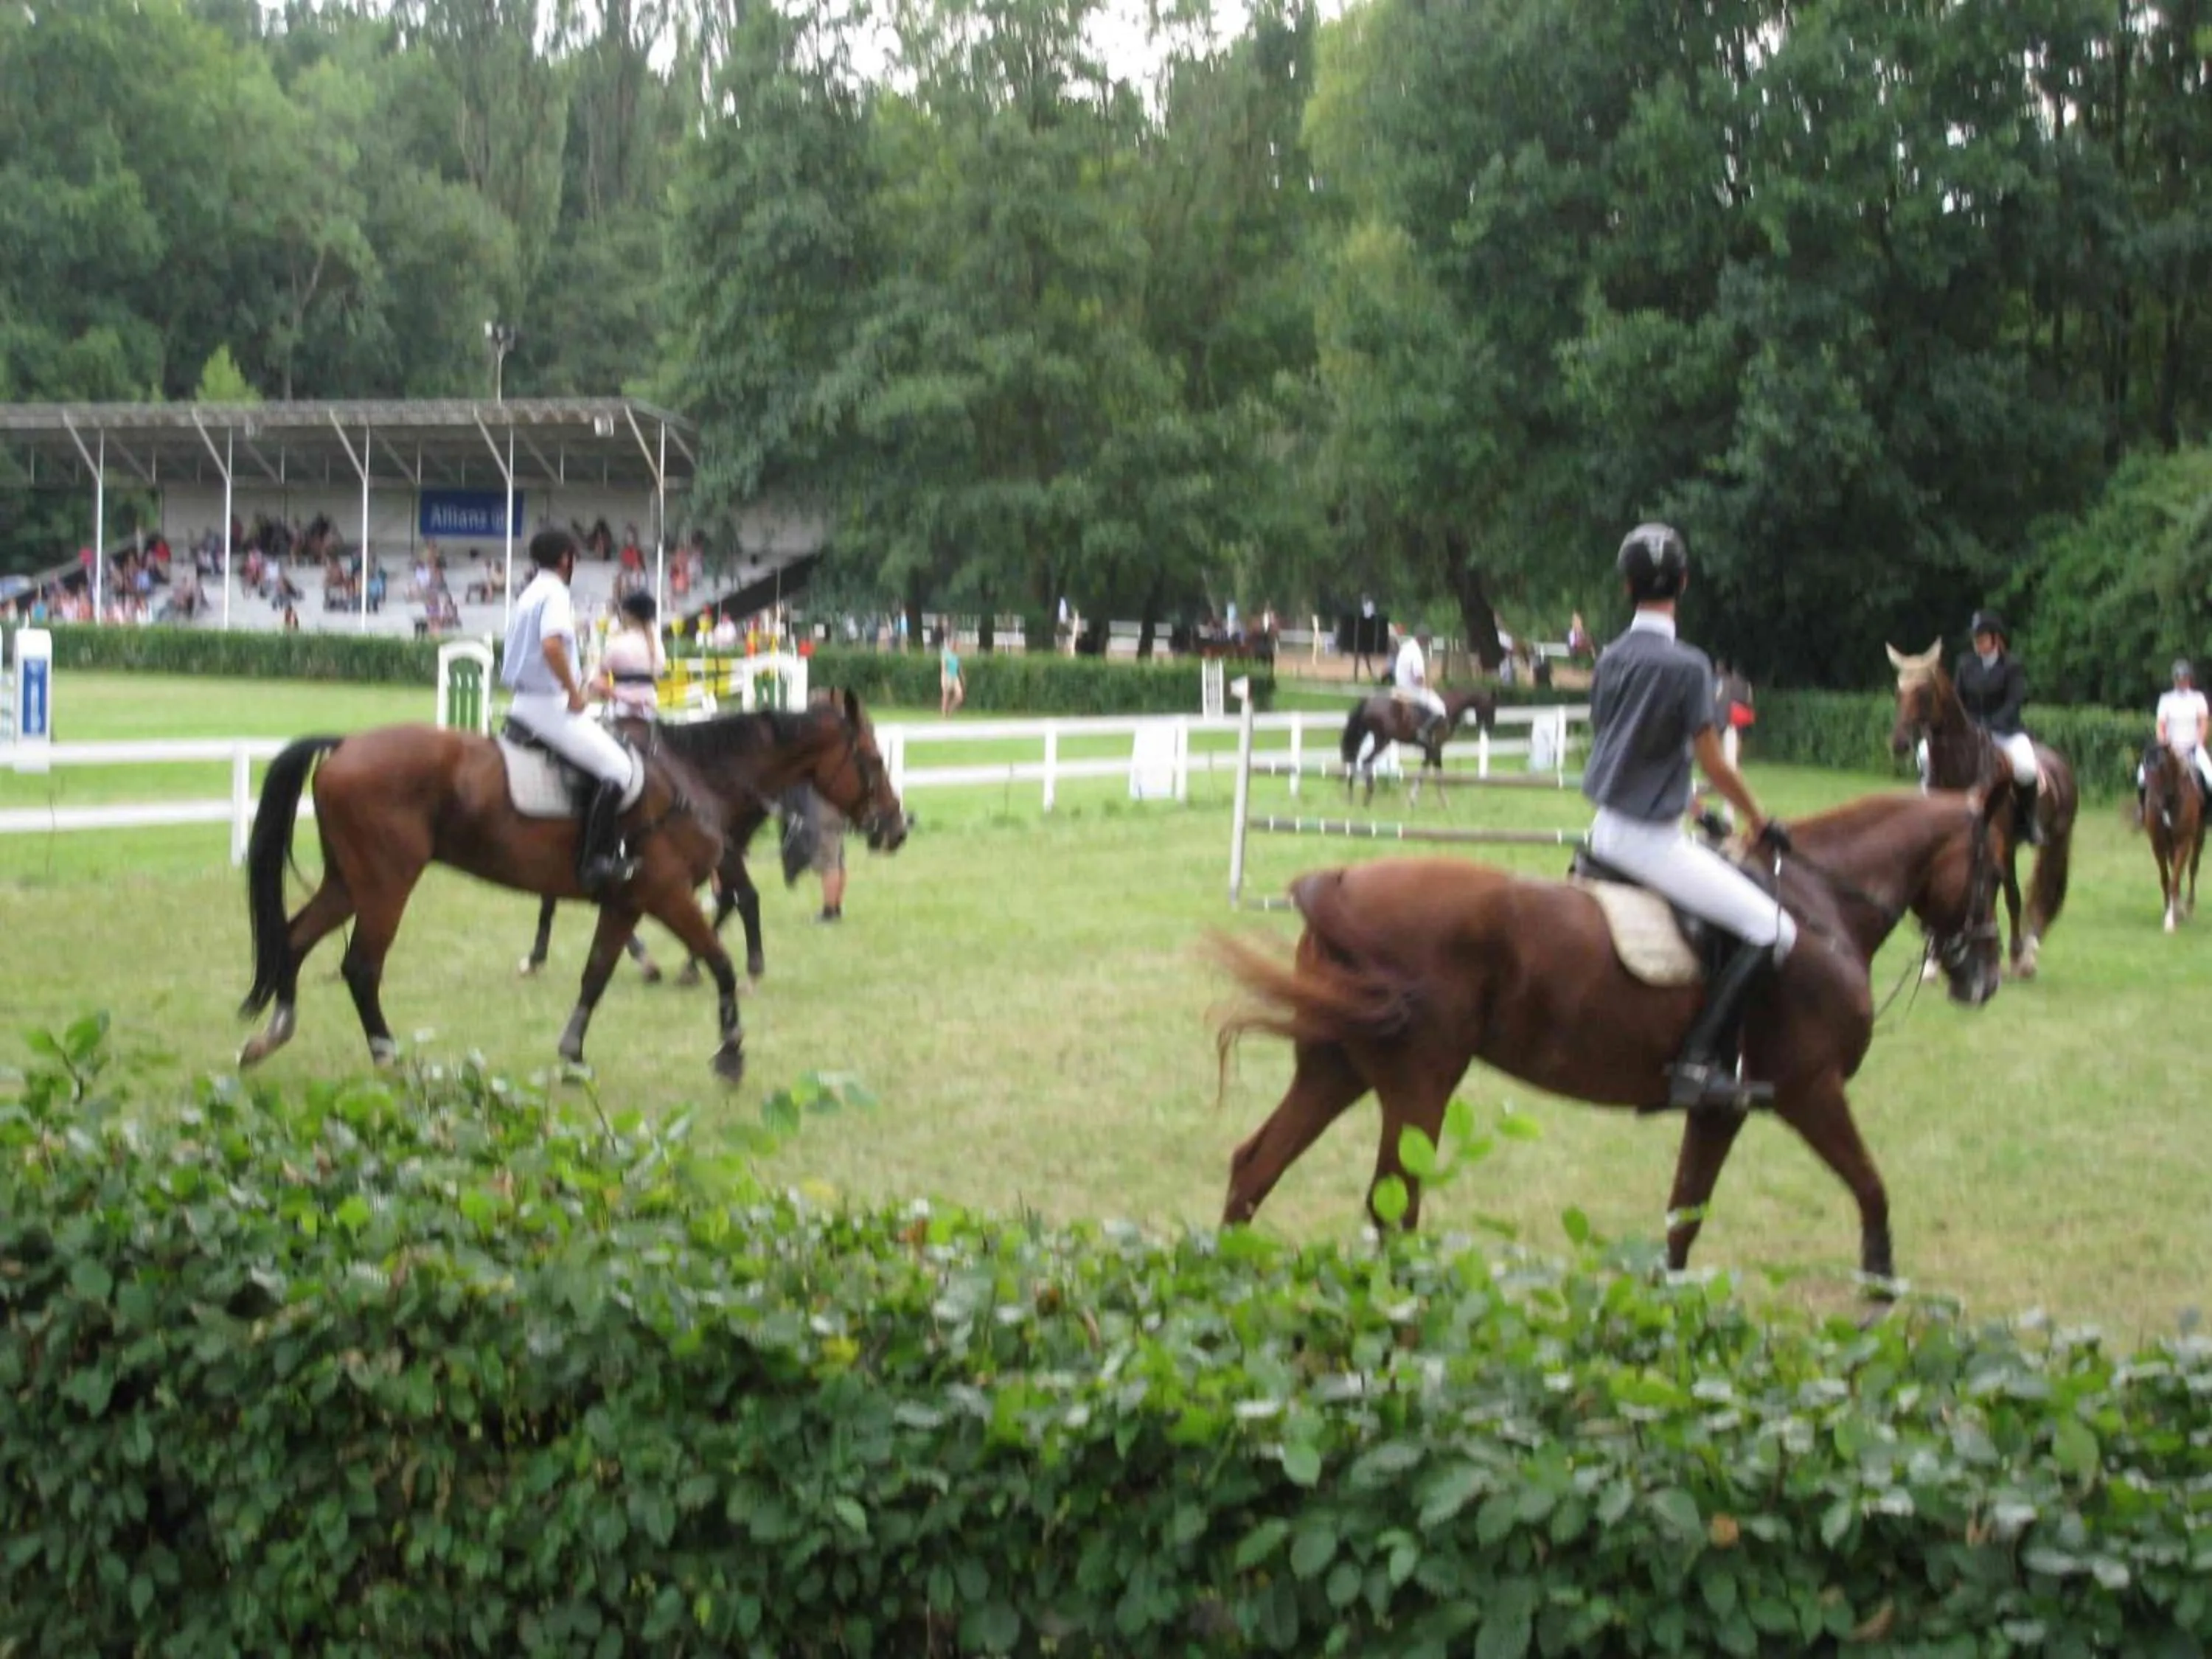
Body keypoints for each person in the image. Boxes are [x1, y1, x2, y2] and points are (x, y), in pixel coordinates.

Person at [1582, 523, 1798, 1113]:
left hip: (1604, 829)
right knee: (1774, 929)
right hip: (1646, 842)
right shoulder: (1689, 665)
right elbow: (1712, 762)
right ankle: (1698, 1064)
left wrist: (1697, 810)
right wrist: (1759, 817)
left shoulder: (1611, 659)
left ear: (1627, 587)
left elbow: (1628, 748)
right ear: (1683, 582)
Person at [502, 526, 640, 896]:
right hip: (546, 704)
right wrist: (573, 693)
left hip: (524, 700)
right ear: (566, 559)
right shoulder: (556, 593)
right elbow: (551, 646)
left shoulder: (530, 591)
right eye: (574, 557)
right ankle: (594, 859)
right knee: (619, 767)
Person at [1953, 608, 2042, 846]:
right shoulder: (1965, 665)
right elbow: (1958, 702)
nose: (1977, 642)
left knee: (2026, 767)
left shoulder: (2012, 666)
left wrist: (1990, 726)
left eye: (1982, 637)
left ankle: (2028, 822)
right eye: (1975, 638)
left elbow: (2014, 703)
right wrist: (1970, 726)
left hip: (2005, 732)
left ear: (1995, 638)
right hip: (1971, 733)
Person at [2138, 658, 2212, 818]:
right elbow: (2161, 725)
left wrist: (2198, 742)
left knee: (2210, 776)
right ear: (2174, 680)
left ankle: (2206, 814)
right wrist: (2164, 743)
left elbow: (2204, 723)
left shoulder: (2198, 698)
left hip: (2192, 747)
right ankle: (2143, 810)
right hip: (2170, 748)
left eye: (2184, 678)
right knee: (2142, 774)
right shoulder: (2166, 699)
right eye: (2178, 679)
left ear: (2189, 679)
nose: (2181, 682)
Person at [591, 589, 667, 720]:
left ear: (628, 614)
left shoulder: (617, 643)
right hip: (650, 707)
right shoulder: (657, 646)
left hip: (622, 708)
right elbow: (659, 672)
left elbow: (598, 680)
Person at [1392, 625, 1447, 747]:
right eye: (1427, 640)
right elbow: (1418, 679)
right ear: (1423, 639)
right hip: (1411, 691)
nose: (1428, 643)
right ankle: (1423, 731)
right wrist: (1429, 686)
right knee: (1440, 708)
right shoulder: (1416, 653)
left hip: (1400, 687)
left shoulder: (1406, 647)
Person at [939, 628, 965, 717]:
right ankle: (944, 714)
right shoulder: (946, 652)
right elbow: (944, 666)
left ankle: (950, 710)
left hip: (955, 676)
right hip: (947, 675)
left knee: (959, 696)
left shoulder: (956, 654)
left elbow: (959, 666)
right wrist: (945, 678)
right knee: (946, 695)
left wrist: (962, 676)